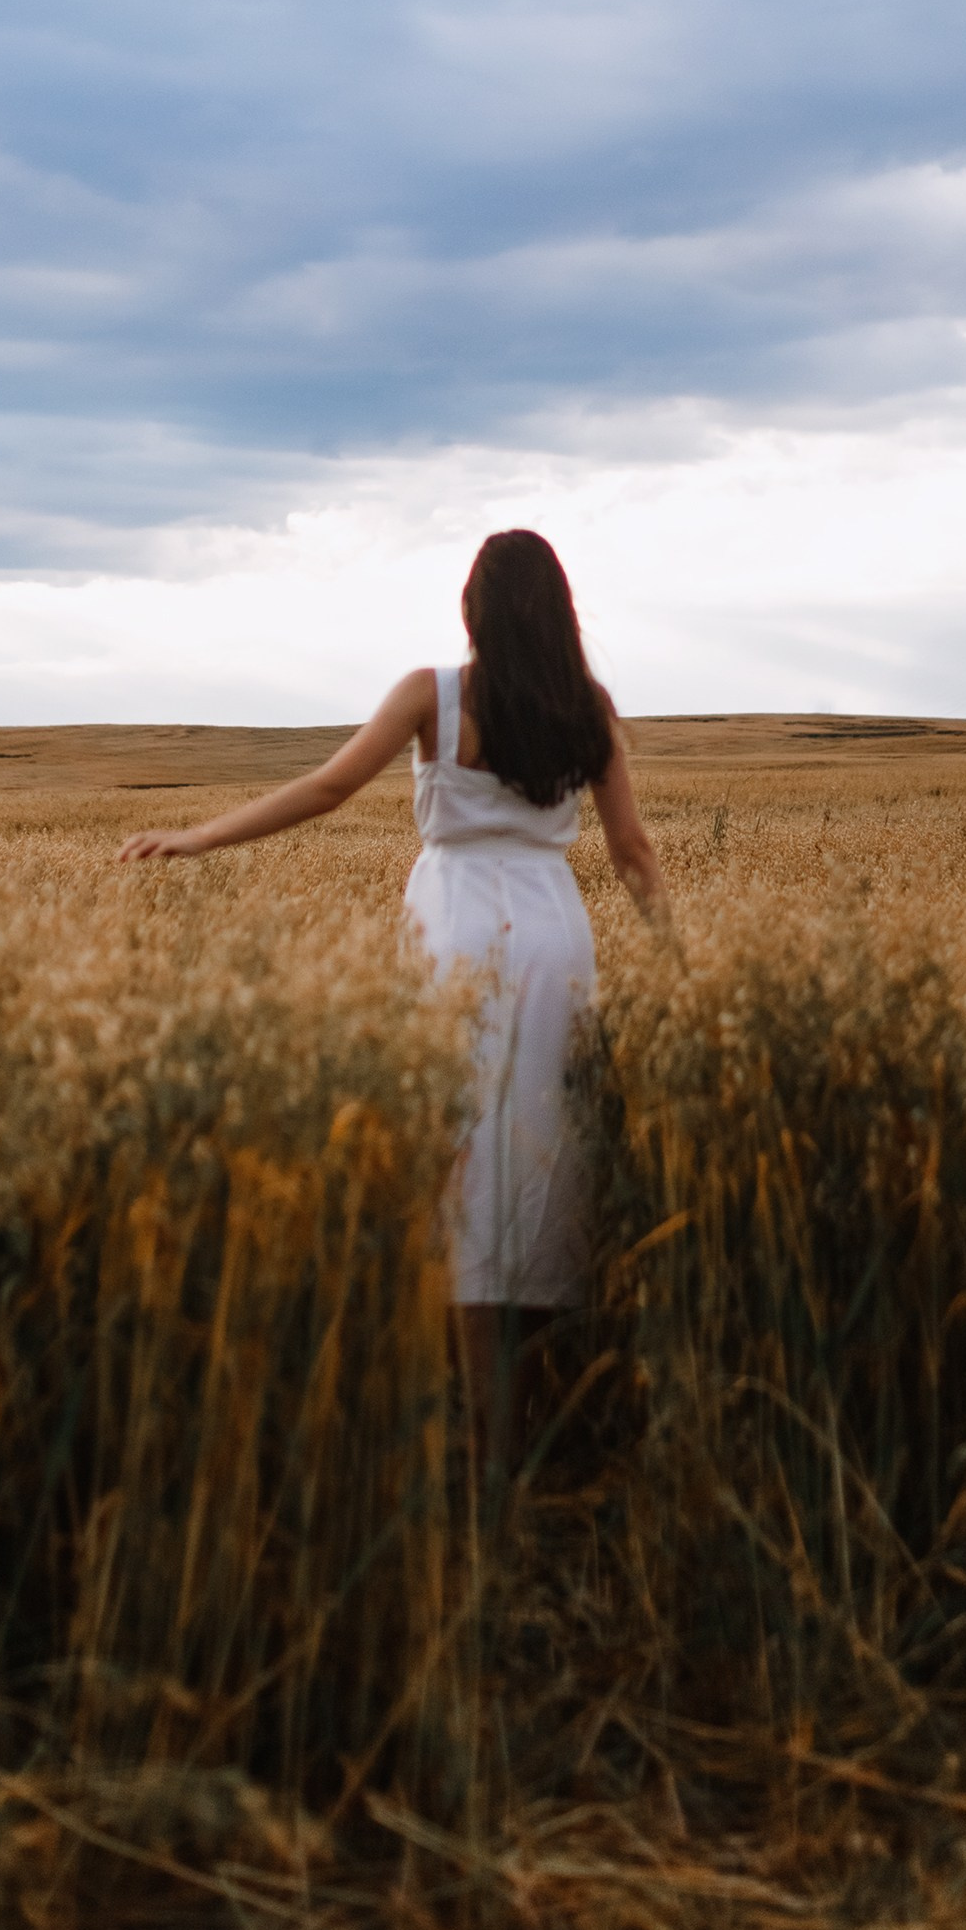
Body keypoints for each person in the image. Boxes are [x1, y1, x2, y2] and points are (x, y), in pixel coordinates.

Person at [117, 529, 670, 1466]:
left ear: (473, 608)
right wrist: (688, 958)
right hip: (553, 936)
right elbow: (630, 852)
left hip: (455, 929)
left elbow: (331, 786)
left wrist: (198, 836)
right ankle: (520, 1434)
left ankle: (475, 1435)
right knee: (540, 1157)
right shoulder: (590, 704)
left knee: (460, 1156)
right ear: (558, 612)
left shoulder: (434, 694)